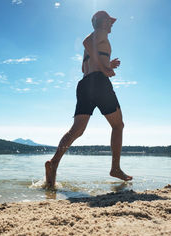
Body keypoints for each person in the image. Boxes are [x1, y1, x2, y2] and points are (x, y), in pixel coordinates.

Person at [45, 11, 133, 188]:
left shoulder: (97, 42)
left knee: (77, 130)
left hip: (85, 84)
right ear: (103, 22)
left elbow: (86, 66)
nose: (112, 25)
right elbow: (86, 42)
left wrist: (108, 64)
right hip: (99, 83)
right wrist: (105, 69)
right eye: (110, 21)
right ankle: (115, 168)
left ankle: (54, 162)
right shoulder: (99, 33)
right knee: (118, 125)